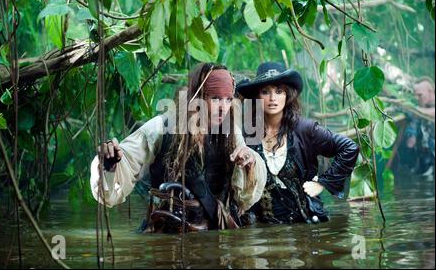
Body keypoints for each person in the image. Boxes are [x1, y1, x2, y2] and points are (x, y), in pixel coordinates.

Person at [90, 63, 267, 233]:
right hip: (168, 233)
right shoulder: (161, 127)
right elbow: (124, 163)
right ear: (198, 97)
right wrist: (110, 164)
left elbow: (245, 198)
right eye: (215, 98)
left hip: (214, 232)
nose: (223, 108)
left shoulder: (231, 134)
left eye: (228, 100)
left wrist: (249, 162)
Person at [236, 62, 359, 224]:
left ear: (287, 95)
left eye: (279, 91)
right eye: (265, 92)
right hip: (262, 230)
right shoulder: (247, 134)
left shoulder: (305, 129)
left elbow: (350, 147)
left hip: (305, 225)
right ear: (257, 97)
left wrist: (323, 183)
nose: (272, 98)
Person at [402, 78, 435, 180]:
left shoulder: (421, 110)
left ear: (430, 92)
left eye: (420, 95)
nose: (417, 98)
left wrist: (413, 109)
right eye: (415, 95)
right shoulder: (421, 110)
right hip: (425, 160)